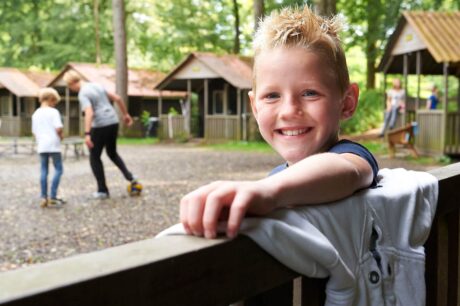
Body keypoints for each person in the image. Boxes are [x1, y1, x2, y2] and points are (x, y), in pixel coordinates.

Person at [179, 6, 379, 239]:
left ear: (347, 103)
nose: (289, 111)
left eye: (310, 93)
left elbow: (345, 171)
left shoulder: (351, 157)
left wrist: (267, 191)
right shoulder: (275, 181)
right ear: (255, 107)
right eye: (272, 96)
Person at [63, 70, 141, 199]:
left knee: (94, 157)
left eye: (69, 86)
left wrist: (87, 133)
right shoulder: (96, 85)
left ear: (72, 83)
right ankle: (130, 177)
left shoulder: (83, 93)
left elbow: (89, 112)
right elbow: (117, 98)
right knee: (112, 153)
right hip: (113, 121)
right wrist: (125, 114)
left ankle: (102, 190)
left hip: (100, 125)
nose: (71, 89)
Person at [32, 88, 66, 208]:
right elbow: (58, 128)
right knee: (58, 169)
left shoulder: (35, 113)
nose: (55, 104)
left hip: (42, 145)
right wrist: (61, 136)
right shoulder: (53, 112)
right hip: (53, 144)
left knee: (43, 170)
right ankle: (53, 196)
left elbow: (34, 132)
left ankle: (43, 196)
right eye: (54, 101)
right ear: (51, 99)